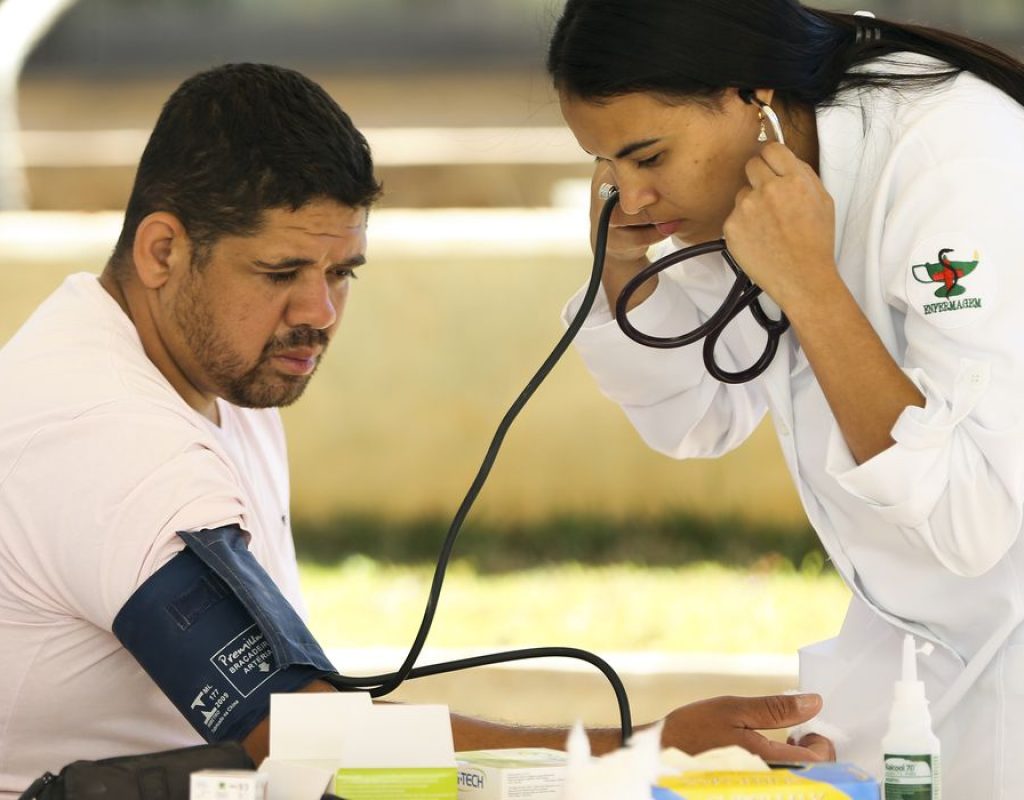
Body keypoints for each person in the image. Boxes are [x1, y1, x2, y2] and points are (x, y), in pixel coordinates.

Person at [0, 63, 827, 798]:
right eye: (281, 273)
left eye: (340, 273)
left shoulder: (180, 357)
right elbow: (302, 739)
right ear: (161, 251)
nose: (319, 314)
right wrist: (641, 752)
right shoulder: (104, 439)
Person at [547, 1, 1024, 798]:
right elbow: (698, 417)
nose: (628, 199)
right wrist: (624, 274)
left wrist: (808, 283)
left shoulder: (952, 163)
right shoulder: (757, 176)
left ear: (751, 98)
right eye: (607, 165)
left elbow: (971, 517)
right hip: (928, 648)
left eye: (648, 156)